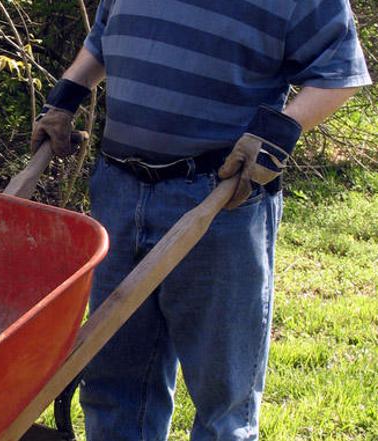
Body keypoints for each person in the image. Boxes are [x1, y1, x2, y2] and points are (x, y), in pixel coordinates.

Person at [30, 1, 371, 440]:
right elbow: (102, 39)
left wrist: (279, 133)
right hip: (117, 190)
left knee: (222, 398)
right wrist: (66, 97)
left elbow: (338, 74)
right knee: (114, 379)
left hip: (219, 200)